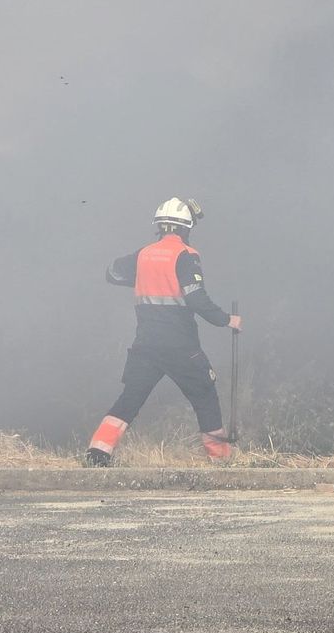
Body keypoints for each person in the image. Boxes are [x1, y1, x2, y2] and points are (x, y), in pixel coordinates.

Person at [84, 197, 242, 466]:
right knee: (205, 394)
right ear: (186, 228)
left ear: (160, 227)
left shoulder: (143, 254)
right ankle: (220, 461)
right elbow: (196, 298)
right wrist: (226, 319)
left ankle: (97, 454)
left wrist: (147, 276)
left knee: (130, 398)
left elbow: (112, 273)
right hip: (181, 346)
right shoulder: (186, 255)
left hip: (145, 345)